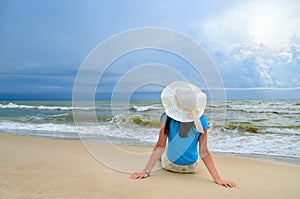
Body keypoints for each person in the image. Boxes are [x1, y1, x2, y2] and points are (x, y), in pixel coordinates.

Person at [130, 81, 237, 188]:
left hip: (170, 166)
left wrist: (146, 171)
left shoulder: (166, 118)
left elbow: (160, 146)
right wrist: (218, 179)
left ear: (175, 102)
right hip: (191, 168)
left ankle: (162, 159)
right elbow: (204, 153)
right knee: (194, 154)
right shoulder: (202, 121)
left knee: (162, 152)